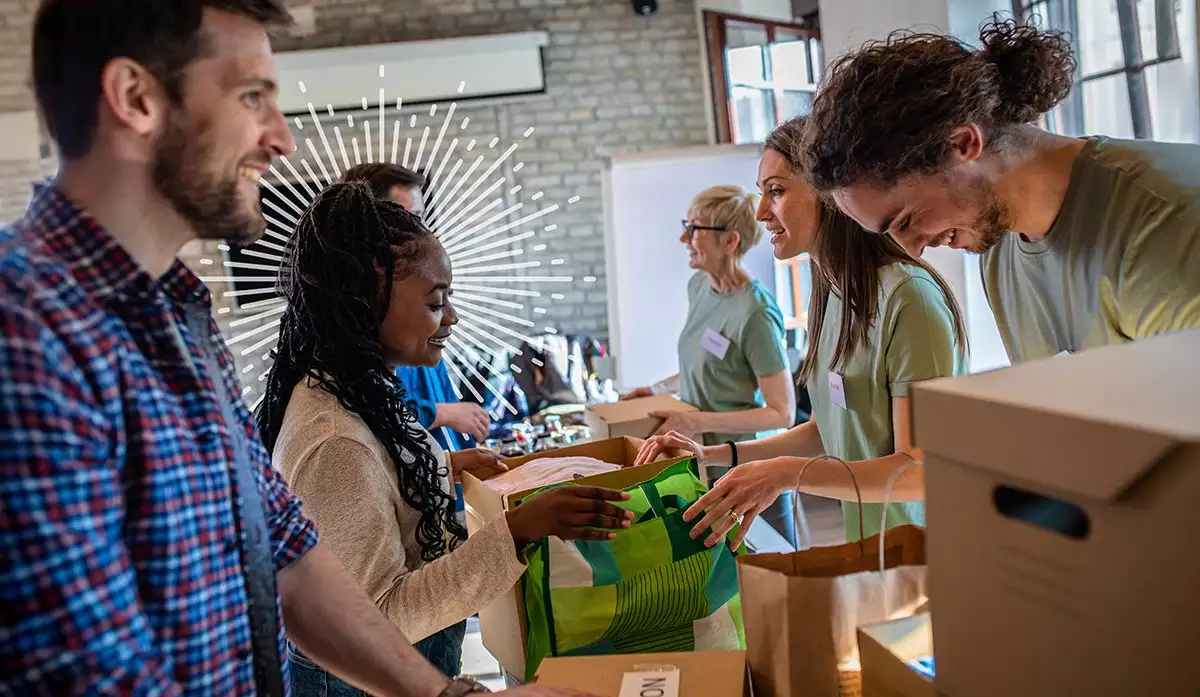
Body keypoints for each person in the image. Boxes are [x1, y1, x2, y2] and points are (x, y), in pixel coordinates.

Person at [0, 2, 598, 696]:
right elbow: (83, 672)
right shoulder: (27, 337)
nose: (280, 139)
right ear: (136, 99)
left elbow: (288, 556)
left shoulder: (180, 314)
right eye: (252, 97)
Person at [256, 182, 635, 694]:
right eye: (436, 302)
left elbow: (373, 492)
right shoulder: (334, 440)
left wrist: (442, 467)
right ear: (369, 299)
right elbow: (374, 622)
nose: (451, 318)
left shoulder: (356, 389)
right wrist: (518, 530)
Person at [637, 116, 968, 545]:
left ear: (831, 193)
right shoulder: (833, 294)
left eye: (775, 191)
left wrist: (786, 474)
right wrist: (710, 455)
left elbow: (917, 471)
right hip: (866, 551)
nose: (759, 213)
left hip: (925, 558)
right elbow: (824, 432)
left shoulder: (910, 299)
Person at [801, 16, 1200, 364]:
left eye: (907, 220)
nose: (914, 248)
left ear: (962, 145)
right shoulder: (999, 246)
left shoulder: (1165, 225)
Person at [623, 185, 796, 445]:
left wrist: (695, 421)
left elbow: (782, 413)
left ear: (729, 241)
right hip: (703, 451)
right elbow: (711, 369)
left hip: (742, 459)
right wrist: (656, 391)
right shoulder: (699, 286)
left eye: (694, 229)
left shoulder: (756, 313)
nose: (684, 238)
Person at [342, 162, 490, 450]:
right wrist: (442, 414)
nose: (451, 318)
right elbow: (373, 407)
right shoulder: (370, 324)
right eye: (411, 218)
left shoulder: (421, 319)